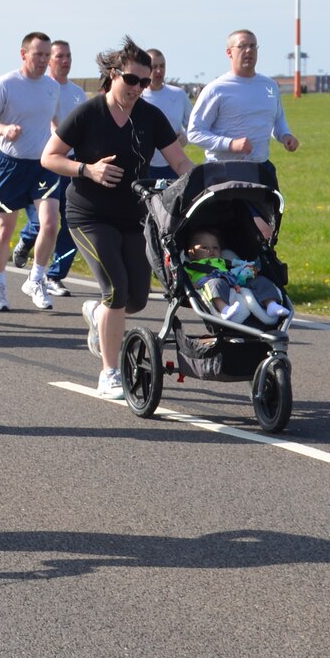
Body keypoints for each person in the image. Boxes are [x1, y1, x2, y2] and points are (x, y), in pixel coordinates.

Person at [40, 40, 194, 398]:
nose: (138, 88)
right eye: (131, 80)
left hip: (133, 216)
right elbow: (50, 157)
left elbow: (180, 162)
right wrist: (86, 169)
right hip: (88, 215)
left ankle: (97, 315)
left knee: (136, 299)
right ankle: (109, 373)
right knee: (116, 291)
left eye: (144, 81)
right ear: (113, 75)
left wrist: (198, 183)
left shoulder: (150, 116)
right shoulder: (88, 112)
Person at [0, 32, 63, 311]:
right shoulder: (6, 84)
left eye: (47, 54)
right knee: (6, 228)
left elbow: (55, 122)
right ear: (23, 54)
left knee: (50, 223)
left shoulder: (52, 87)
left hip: (43, 166)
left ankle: (36, 280)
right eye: (38, 54)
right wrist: (4, 129)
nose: (43, 59)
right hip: (10, 165)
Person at [15, 39, 82, 293]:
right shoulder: (43, 88)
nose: (65, 61)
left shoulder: (77, 92)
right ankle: (26, 239)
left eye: (69, 56)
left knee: (72, 221)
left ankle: (54, 275)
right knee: (45, 221)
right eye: (59, 56)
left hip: (74, 163)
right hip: (48, 162)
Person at [188, 32, 299, 164]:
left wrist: (285, 135)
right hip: (224, 170)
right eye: (242, 46)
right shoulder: (216, 89)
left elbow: (278, 119)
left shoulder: (269, 86)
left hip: (261, 167)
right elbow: (195, 132)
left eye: (253, 46)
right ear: (229, 52)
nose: (249, 50)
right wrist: (230, 144)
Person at [182, 230, 289, 325]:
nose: (211, 250)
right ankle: (224, 309)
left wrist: (247, 267)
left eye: (215, 247)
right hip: (209, 283)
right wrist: (192, 284)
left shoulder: (223, 261)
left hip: (233, 281)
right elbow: (186, 279)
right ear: (192, 254)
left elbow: (237, 265)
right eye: (204, 248)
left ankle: (271, 304)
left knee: (259, 280)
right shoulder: (191, 266)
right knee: (215, 284)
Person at [141, 48, 191, 181]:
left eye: (162, 66)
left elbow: (194, 126)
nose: (159, 71)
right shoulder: (137, 97)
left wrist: (186, 137)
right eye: (154, 66)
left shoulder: (179, 94)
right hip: (146, 166)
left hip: (174, 165)